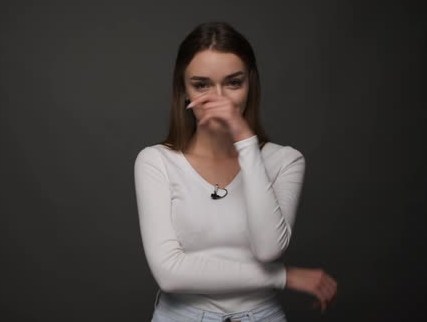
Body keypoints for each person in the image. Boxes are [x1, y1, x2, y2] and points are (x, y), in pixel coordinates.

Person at [133, 22, 337, 322]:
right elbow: (169, 275)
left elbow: (268, 248)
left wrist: (246, 141)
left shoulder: (285, 160)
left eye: (233, 83)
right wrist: (284, 277)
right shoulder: (157, 161)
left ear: (250, 84)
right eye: (201, 84)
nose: (219, 99)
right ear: (184, 90)